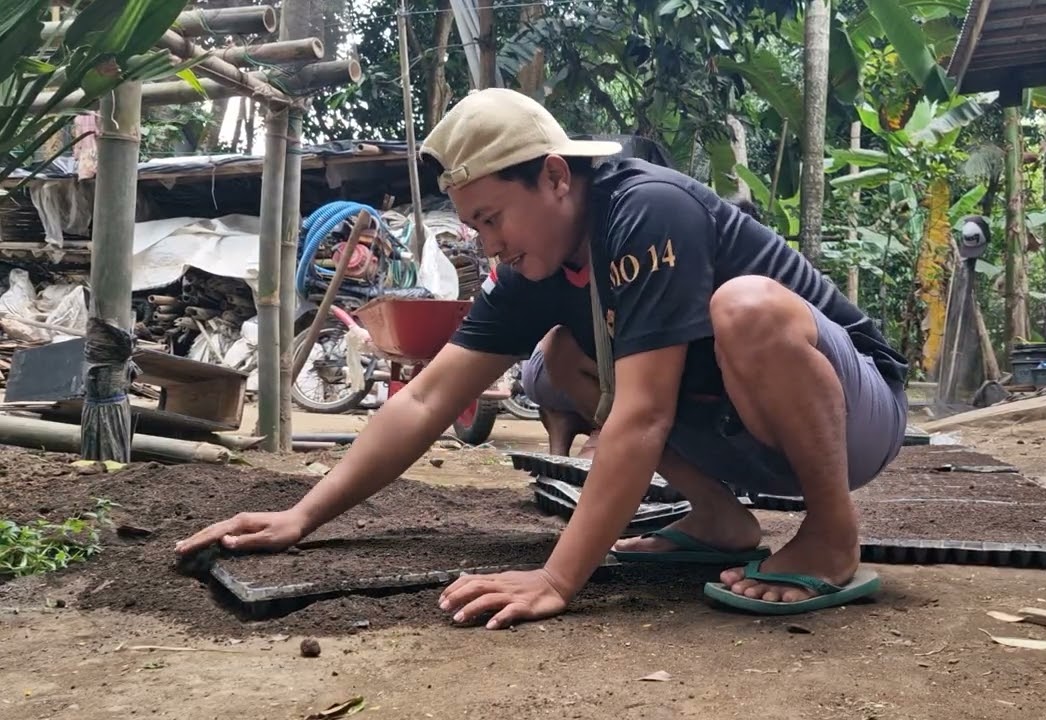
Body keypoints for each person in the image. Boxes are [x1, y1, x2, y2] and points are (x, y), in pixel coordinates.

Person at [176, 89, 908, 627]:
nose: (487, 244)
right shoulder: (535, 270)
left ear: (557, 178)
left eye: (491, 219)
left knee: (746, 307)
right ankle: (720, 519)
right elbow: (428, 399)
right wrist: (301, 517)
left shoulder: (648, 209)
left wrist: (558, 579)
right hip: (742, 434)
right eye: (473, 227)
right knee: (558, 357)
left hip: (856, 414)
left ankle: (831, 534)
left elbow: (646, 413)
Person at [520, 194, 762, 460]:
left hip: (555, 370)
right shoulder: (659, 266)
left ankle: (582, 435)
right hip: (554, 370)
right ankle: (600, 434)